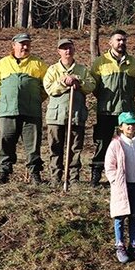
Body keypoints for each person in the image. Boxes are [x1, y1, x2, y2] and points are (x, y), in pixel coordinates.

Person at [89, 30, 135, 187]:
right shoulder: (100, 62)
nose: (121, 43)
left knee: (126, 143)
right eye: (118, 40)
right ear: (110, 42)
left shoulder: (133, 63)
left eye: (124, 40)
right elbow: (94, 86)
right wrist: (105, 100)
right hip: (106, 110)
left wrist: (127, 99)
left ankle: (125, 174)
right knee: (102, 143)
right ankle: (96, 173)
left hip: (126, 111)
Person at [43, 37, 95, 186]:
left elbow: (91, 86)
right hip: (56, 116)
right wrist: (63, 82)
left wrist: (79, 82)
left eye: (70, 48)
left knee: (75, 148)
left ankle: (73, 178)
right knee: (55, 147)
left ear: (74, 50)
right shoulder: (52, 70)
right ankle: (55, 177)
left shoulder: (82, 70)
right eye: (64, 48)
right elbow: (49, 89)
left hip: (76, 115)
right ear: (58, 51)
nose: (67, 51)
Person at [105, 111, 135, 263]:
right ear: (121, 127)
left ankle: (133, 244)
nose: (131, 127)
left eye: (133, 124)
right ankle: (120, 245)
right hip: (122, 186)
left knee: (134, 215)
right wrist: (116, 181)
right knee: (120, 216)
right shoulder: (116, 144)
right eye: (127, 124)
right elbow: (109, 166)